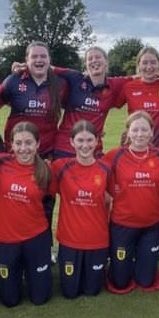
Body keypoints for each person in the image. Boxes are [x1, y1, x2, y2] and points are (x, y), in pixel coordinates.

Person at [0, 122, 53, 307]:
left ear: (38, 144)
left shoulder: (46, 170)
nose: (24, 148)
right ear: (11, 145)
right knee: (9, 300)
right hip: (6, 239)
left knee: (40, 298)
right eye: (19, 143)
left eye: (29, 143)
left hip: (36, 237)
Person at [103, 111, 159, 293]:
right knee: (120, 282)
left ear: (152, 133)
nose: (140, 134)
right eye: (135, 130)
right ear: (128, 133)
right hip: (122, 225)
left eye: (144, 130)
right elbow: (97, 174)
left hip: (151, 225)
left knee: (146, 281)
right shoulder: (115, 156)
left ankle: (144, 261)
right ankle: (118, 265)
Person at [51, 121, 111, 298]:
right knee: (70, 292)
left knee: (93, 291)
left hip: (97, 240)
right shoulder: (60, 167)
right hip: (70, 241)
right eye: (80, 140)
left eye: (90, 140)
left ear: (97, 141)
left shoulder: (106, 168)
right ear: (71, 142)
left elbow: (110, 199)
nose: (85, 145)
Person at [52, 46, 129, 158]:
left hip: (93, 150)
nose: (94, 61)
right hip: (66, 148)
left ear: (106, 62)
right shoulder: (75, 78)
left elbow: (141, 78)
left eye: (98, 57)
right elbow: (46, 67)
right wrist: (23, 67)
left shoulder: (115, 84)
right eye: (90, 59)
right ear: (86, 64)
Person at [1, 41, 67, 158]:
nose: (39, 60)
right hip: (17, 151)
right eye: (34, 56)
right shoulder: (13, 80)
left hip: (47, 152)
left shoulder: (60, 84)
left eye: (43, 56)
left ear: (49, 60)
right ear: (27, 60)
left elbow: (76, 107)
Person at [117, 47, 159, 152]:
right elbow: (109, 104)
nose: (149, 67)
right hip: (134, 148)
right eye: (145, 63)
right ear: (138, 65)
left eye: (153, 62)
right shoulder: (128, 87)